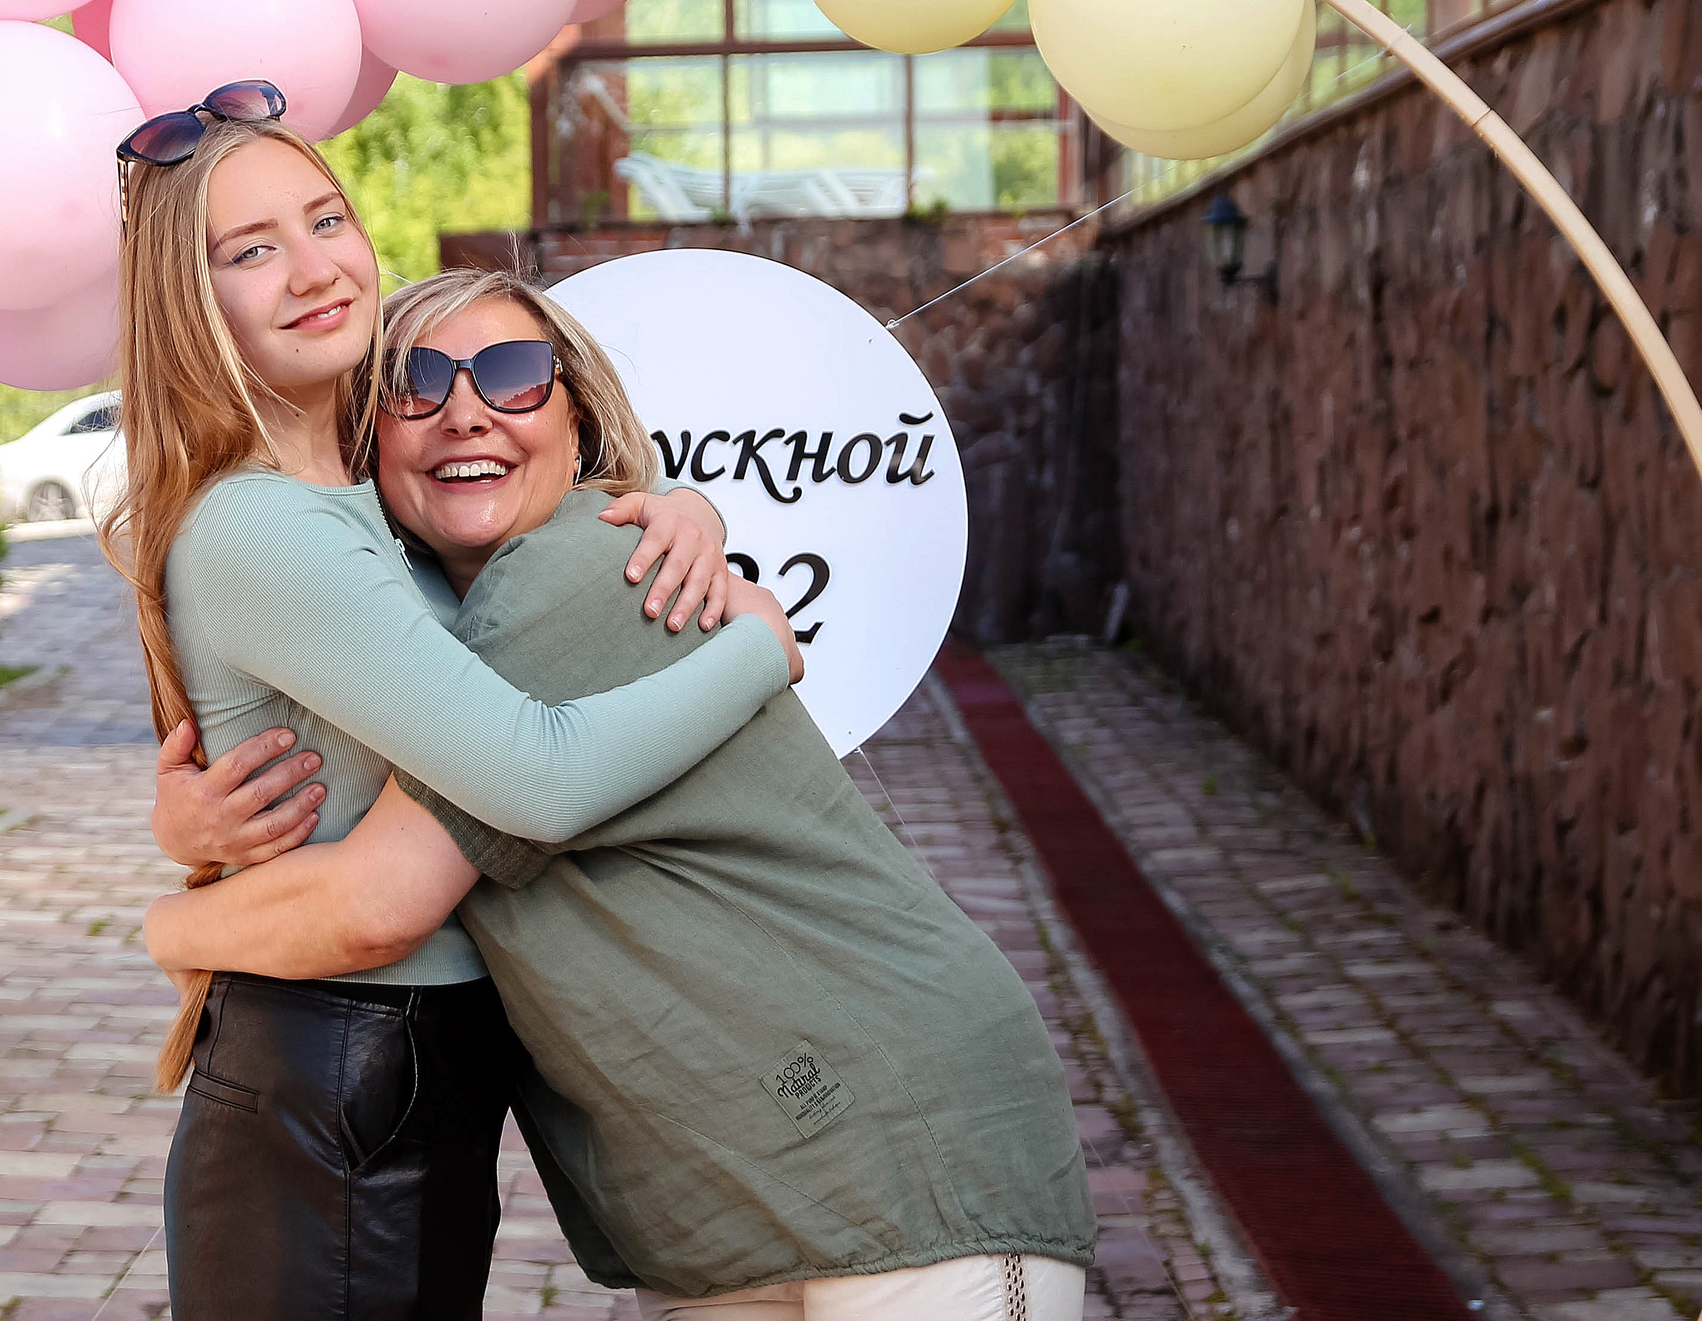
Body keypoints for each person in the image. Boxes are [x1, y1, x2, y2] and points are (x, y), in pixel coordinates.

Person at [143, 267, 1099, 1321]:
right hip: (732, 1198)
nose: (467, 411)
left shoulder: (579, 577)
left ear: (577, 416)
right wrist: (185, 819)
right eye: (415, 382)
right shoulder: (436, 628)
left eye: (513, 376)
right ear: (368, 437)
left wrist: (170, 924)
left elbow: (379, 902)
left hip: (900, 1151)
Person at [103, 83, 809, 1320]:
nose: (314, 269)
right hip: (333, 1066)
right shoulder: (263, 528)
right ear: (191, 301)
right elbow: (534, 777)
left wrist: (683, 511)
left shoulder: (367, 497)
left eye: (325, 220)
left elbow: (536, 554)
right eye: (250, 251)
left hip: (407, 1067)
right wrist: (760, 647)